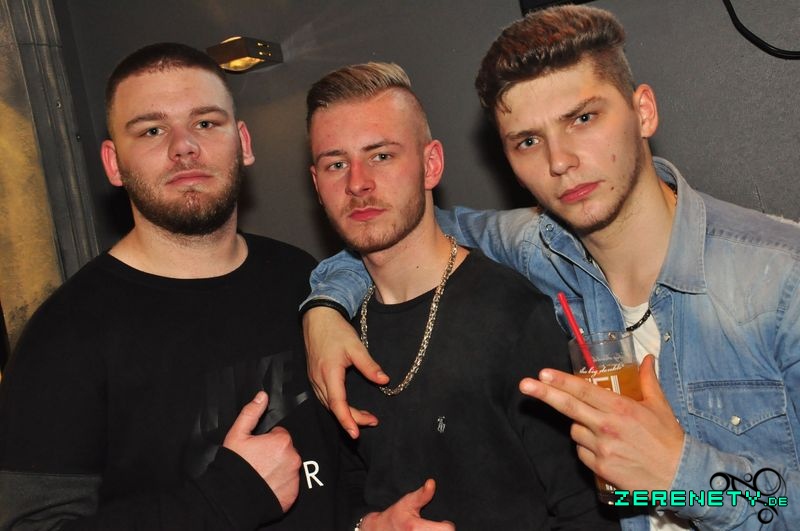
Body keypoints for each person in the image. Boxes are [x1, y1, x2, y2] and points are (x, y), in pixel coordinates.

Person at [300, 5, 800, 531]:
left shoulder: (780, 281)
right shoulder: (542, 249)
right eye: (529, 141)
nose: (559, 160)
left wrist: (683, 474)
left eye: (582, 119)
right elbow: (393, 228)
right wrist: (325, 308)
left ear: (644, 111)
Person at [0, 43, 337, 530]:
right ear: (113, 164)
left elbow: (335, 455)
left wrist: (364, 519)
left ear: (243, 142)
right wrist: (227, 497)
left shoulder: (298, 275)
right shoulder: (64, 335)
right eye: (152, 130)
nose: (184, 146)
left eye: (206, 122)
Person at [306, 60, 618, 531]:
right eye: (336, 164)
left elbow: (587, 512)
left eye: (381, 156)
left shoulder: (514, 314)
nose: (357, 183)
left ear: (431, 164)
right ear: (316, 184)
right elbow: (339, 487)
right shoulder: (333, 336)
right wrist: (366, 525)